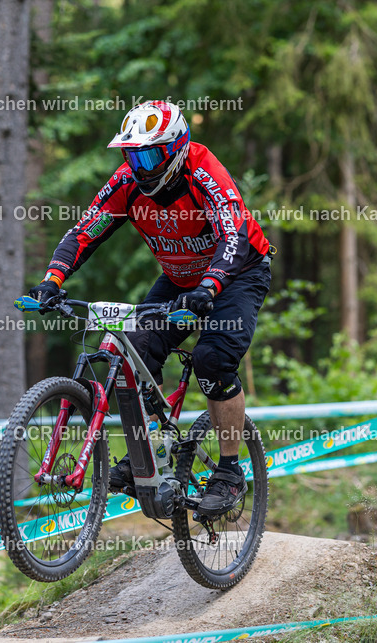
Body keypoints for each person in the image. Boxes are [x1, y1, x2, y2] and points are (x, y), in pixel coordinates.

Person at [28, 99, 272, 516]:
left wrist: (210, 287)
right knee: (132, 350)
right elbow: (86, 231)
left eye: (150, 154)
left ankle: (230, 473)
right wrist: (52, 279)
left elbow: (235, 236)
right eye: (132, 154)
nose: (141, 166)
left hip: (238, 273)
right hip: (179, 280)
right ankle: (151, 451)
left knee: (213, 359)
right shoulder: (127, 182)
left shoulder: (204, 172)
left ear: (176, 148)